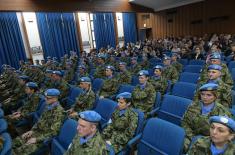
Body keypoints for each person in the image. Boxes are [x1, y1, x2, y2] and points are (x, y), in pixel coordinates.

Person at [12, 89, 65, 155]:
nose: (45, 99)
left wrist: (37, 139)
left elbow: (53, 133)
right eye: (45, 97)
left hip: (43, 139)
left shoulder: (59, 112)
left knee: (19, 152)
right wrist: (32, 131)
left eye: (48, 98)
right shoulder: (48, 106)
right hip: (36, 132)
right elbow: (40, 121)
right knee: (15, 142)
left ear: (55, 98)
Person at [182, 83, 232, 152]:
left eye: (209, 95)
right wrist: (190, 136)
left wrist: (202, 140)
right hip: (189, 135)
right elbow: (185, 122)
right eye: (202, 94)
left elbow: (222, 134)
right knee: (180, 147)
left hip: (209, 140)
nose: (205, 97)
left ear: (215, 97)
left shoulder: (222, 111)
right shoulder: (193, 105)